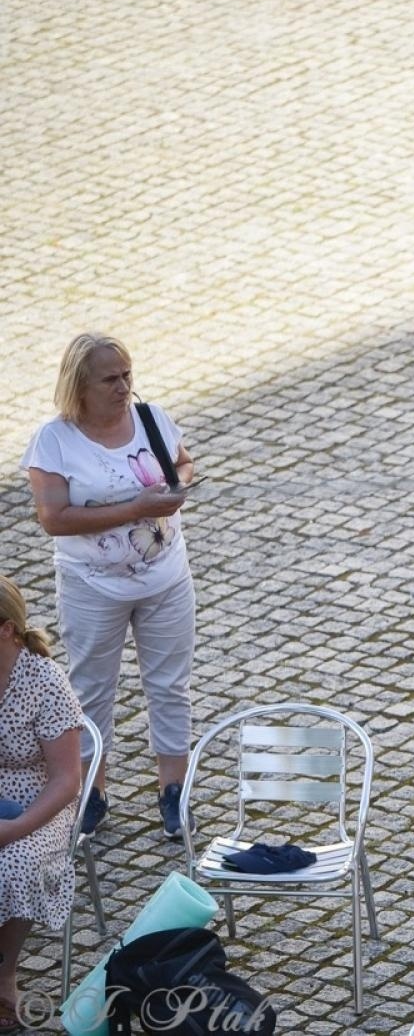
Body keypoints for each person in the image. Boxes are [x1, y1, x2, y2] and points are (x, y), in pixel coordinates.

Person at [22, 334, 197, 840]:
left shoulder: (150, 418)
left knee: (169, 686)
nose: (124, 387)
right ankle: (92, 791)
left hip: (166, 577)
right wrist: (137, 510)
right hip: (92, 585)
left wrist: (177, 485)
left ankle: (173, 791)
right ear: (80, 384)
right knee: (92, 690)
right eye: (111, 379)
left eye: (127, 375)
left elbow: (181, 462)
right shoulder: (53, 442)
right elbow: (54, 518)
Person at [0, 576, 84, 1031]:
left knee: (13, 862)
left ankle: (4, 976)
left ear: (7, 629)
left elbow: (67, 779)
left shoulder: (43, 681)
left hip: (39, 799)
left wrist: (15, 827)